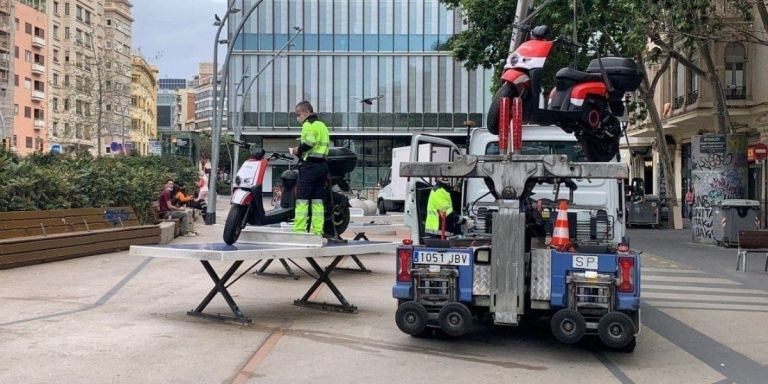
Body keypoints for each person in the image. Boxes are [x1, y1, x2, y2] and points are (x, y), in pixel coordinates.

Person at [290, 101, 330, 236]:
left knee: (302, 199)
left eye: (298, 114)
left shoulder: (309, 124)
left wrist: (297, 150)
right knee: (318, 201)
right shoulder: (322, 125)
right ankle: (318, 231)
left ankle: (299, 231)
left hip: (310, 166)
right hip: (322, 166)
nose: (298, 118)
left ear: (306, 112)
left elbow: (309, 143)